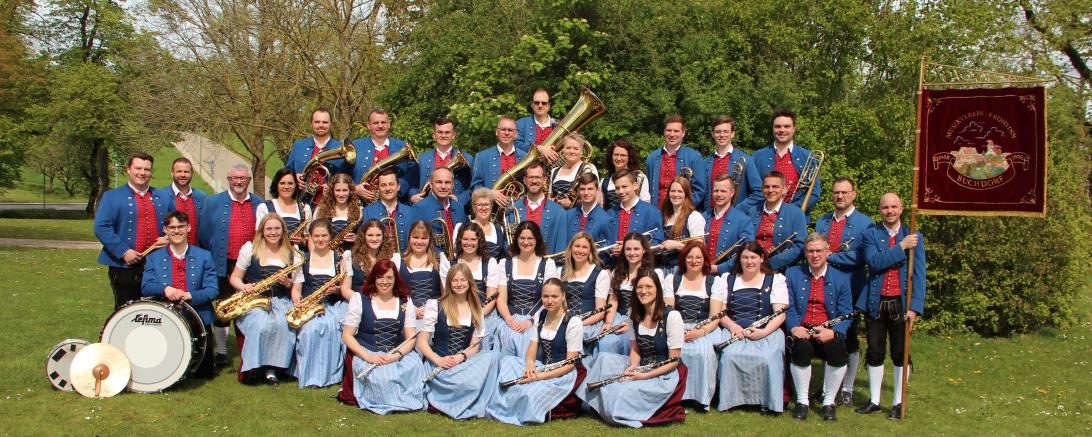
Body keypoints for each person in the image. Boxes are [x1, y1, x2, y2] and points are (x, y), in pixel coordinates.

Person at [578, 270, 686, 428]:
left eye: (648, 286)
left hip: (664, 373)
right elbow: (635, 350)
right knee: (603, 358)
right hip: (641, 365)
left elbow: (674, 361)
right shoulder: (633, 314)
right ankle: (591, 403)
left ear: (658, 289)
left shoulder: (672, 317)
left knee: (620, 391)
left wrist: (642, 376)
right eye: (639, 287)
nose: (643, 291)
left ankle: (610, 407)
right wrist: (633, 367)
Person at [855, 193, 926, 420]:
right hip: (876, 301)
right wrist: (901, 248)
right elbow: (874, 262)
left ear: (902, 208)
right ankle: (875, 400)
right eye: (885, 207)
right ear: (880, 210)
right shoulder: (871, 235)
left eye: (894, 207)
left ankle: (897, 402)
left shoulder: (914, 236)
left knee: (900, 353)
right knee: (875, 352)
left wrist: (915, 307)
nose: (890, 211)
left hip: (901, 303)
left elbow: (919, 274)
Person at [487, 278, 586, 425]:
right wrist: (529, 366)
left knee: (529, 392)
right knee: (508, 361)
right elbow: (532, 348)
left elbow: (570, 364)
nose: (549, 300)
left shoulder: (573, 322)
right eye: (545, 296)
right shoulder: (540, 316)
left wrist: (538, 377)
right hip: (543, 366)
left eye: (554, 296)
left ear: (563, 296)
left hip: (564, 373)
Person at [814, 177, 875, 405]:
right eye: (836, 192)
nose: (840, 196)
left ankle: (847, 389)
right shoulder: (823, 221)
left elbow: (861, 257)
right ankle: (828, 388)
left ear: (854, 194)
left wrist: (831, 257)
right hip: (822, 287)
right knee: (825, 339)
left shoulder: (865, 223)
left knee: (848, 339)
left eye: (844, 192)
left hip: (849, 288)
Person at [341, 259, 426, 414]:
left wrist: (396, 356)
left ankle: (402, 400)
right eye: (380, 277)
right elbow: (347, 335)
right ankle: (395, 401)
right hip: (368, 352)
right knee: (382, 378)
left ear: (395, 280)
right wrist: (368, 357)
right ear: (374, 278)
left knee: (414, 368)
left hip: (396, 352)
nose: (385, 282)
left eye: (389, 278)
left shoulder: (405, 300)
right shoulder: (360, 299)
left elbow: (411, 338)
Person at [784, 233, 854, 421]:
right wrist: (794, 327)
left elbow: (846, 312)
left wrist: (834, 331)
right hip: (802, 329)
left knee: (838, 351)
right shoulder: (792, 273)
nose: (815, 255)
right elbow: (787, 307)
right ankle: (802, 401)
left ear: (827, 252)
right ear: (805, 254)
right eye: (810, 251)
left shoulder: (841, 277)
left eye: (819, 251)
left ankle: (829, 402)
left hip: (827, 329)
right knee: (800, 349)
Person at [141, 211, 219, 377]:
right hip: (166, 317)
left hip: (197, 315)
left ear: (188, 228)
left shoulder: (204, 256)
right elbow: (146, 286)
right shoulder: (154, 258)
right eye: (172, 227)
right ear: (165, 230)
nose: (177, 231)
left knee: (203, 373)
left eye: (181, 227)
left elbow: (213, 290)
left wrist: (190, 295)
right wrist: (165, 289)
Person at [200, 164, 264, 368]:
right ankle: (221, 351)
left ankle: (248, 349)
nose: (238, 182)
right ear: (228, 179)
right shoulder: (212, 202)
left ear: (249, 181)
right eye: (235, 178)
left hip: (252, 266)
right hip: (224, 264)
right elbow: (203, 234)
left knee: (248, 309)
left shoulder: (259, 203)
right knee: (224, 308)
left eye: (243, 179)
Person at [418, 264, 500, 419]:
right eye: (455, 280)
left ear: (469, 282)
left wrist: (460, 357)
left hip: (463, 362)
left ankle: (468, 394)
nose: (459, 284)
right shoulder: (436, 305)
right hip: (440, 363)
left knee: (494, 357)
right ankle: (458, 393)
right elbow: (422, 342)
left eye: (463, 280)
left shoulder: (476, 308)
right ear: (449, 283)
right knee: (467, 384)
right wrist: (438, 360)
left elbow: (475, 346)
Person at [715, 242, 789, 413]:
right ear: (739, 260)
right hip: (736, 330)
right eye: (745, 257)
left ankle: (767, 401)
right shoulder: (728, 279)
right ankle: (731, 400)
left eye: (753, 257)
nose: (749, 262)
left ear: (762, 258)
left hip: (766, 330)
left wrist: (764, 331)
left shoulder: (775, 279)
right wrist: (733, 326)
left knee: (767, 358)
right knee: (730, 356)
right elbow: (720, 312)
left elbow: (780, 314)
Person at [228, 214, 300, 384]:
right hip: (255, 300)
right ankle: (253, 369)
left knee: (282, 324)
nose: (273, 232)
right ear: (262, 231)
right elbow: (235, 278)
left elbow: (296, 287)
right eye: (269, 229)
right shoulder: (250, 249)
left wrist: (289, 283)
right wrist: (244, 287)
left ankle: (273, 369)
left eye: (277, 228)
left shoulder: (292, 253)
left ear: (283, 231)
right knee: (260, 324)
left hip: (281, 301)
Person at [95, 152, 168, 309]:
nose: (142, 173)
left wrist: (168, 238)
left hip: (157, 265)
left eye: (147, 169)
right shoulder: (112, 196)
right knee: (126, 311)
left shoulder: (162, 196)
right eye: (138, 168)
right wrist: (124, 251)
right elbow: (101, 227)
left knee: (156, 311)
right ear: (128, 169)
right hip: (123, 266)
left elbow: (176, 224)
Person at [662, 241, 725, 411]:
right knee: (675, 350)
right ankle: (675, 394)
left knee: (702, 351)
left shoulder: (714, 282)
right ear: (684, 259)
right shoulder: (673, 280)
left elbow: (715, 317)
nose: (694, 261)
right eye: (690, 257)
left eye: (699, 257)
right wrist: (677, 330)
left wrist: (700, 332)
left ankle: (701, 398)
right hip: (677, 326)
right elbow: (669, 310)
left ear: (705, 260)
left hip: (706, 328)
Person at [290, 218, 353, 388]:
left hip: (334, 305)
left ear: (331, 236)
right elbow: (296, 289)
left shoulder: (341, 258)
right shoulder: (302, 259)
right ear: (310, 237)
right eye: (316, 236)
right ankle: (312, 376)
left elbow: (346, 288)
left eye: (324, 235)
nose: (320, 239)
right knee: (311, 330)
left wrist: (338, 290)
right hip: (310, 305)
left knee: (332, 326)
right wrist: (297, 299)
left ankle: (333, 375)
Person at [495, 222, 559, 359]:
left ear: (537, 240)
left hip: (538, 317)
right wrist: (509, 320)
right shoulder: (504, 264)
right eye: (522, 238)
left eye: (530, 238)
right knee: (510, 335)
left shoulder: (547, 265)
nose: (526, 242)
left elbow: (549, 300)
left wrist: (531, 321)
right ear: (516, 239)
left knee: (529, 336)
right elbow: (501, 299)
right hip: (510, 317)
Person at [597, 232, 661, 356]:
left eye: (636, 249)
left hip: (642, 319)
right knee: (605, 341)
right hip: (619, 317)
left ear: (644, 250)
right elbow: (613, 299)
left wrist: (632, 324)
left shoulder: (653, 274)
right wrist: (609, 323)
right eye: (628, 249)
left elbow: (654, 306)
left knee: (628, 342)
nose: (632, 253)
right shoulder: (618, 271)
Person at [751, 109, 822, 219]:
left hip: (794, 218)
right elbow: (752, 189)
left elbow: (814, 192)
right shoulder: (758, 156)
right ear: (773, 129)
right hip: (761, 217)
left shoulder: (807, 157)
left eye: (786, 126)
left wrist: (792, 210)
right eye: (778, 126)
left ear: (794, 129)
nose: (782, 130)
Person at [451, 223, 501, 350]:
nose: (469, 243)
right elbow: (447, 294)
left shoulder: (490, 263)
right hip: (457, 312)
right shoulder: (451, 263)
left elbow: (491, 296)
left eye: (473, 239)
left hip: (483, 313)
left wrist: (479, 315)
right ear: (459, 240)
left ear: (480, 241)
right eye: (465, 239)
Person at [284, 108, 347, 205]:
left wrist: (334, 186)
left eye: (325, 122)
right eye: (317, 122)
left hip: (331, 204)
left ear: (331, 124)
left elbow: (348, 178)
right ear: (311, 124)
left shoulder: (341, 148)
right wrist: (293, 177)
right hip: (300, 202)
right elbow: (285, 173)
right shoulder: (299, 146)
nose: (321, 125)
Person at [746, 171, 806, 272]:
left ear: (784, 190)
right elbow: (746, 242)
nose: (770, 190)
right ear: (762, 189)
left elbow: (800, 246)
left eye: (775, 187)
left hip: (781, 270)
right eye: (766, 187)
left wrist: (771, 263)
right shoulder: (753, 211)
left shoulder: (795, 213)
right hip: (751, 268)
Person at [505, 161, 569, 255]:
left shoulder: (559, 213)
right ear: (525, 180)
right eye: (531, 177)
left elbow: (561, 249)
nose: (534, 181)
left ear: (545, 180)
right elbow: (507, 242)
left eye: (538, 177)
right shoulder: (512, 209)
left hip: (547, 267)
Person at [351, 109, 414, 203]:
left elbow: (411, 175)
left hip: (396, 203)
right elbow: (343, 173)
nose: (380, 126)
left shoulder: (402, 147)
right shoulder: (355, 146)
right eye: (376, 123)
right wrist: (354, 188)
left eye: (383, 122)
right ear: (368, 125)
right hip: (362, 204)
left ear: (389, 124)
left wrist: (397, 189)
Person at [702, 115, 761, 212]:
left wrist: (738, 210)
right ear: (712, 134)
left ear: (732, 134)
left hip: (736, 220)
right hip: (709, 219)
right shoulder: (704, 163)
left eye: (726, 131)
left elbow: (759, 192)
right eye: (718, 132)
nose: (722, 135)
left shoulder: (746, 160)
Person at [409, 117, 474, 205]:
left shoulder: (468, 158)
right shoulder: (422, 159)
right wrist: (413, 195)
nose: (443, 135)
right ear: (434, 135)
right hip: (427, 207)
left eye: (447, 132)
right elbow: (413, 185)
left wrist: (460, 199)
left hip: (455, 208)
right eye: (440, 132)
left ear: (454, 135)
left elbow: (473, 187)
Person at [645, 115, 705, 209]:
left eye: (676, 131)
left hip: (682, 214)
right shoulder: (652, 158)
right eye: (669, 130)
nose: (672, 134)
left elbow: (699, 191)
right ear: (664, 132)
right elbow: (647, 190)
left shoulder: (694, 157)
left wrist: (684, 209)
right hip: (656, 213)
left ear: (683, 133)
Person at [605, 170, 665, 262]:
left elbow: (658, 244)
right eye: (617, 188)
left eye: (624, 186)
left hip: (642, 267)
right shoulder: (610, 213)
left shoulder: (652, 212)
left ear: (635, 185)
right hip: (615, 267)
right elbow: (604, 243)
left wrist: (628, 249)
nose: (621, 191)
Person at [559, 233, 609, 342]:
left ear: (590, 251)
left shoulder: (600, 274)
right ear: (571, 248)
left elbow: (600, 312)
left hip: (587, 324)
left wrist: (577, 324)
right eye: (577, 246)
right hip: (564, 322)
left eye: (585, 247)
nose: (580, 251)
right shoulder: (560, 272)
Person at [470, 117, 528, 208]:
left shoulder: (525, 157)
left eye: (510, 130)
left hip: (519, 208)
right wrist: (489, 194)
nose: (506, 133)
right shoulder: (482, 157)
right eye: (503, 129)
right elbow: (475, 187)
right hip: (492, 210)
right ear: (496, 132)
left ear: (516, 134)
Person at [703, 175, 755, 275]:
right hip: (701, 274)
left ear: (732, 193)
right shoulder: (703, 217)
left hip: (728, 275)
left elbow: (747, 252)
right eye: (715, 191)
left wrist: (719, 268)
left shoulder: (743, 220)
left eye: (723, 191)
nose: (718, 194)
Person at [413, 167, 467, 260]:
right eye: (439, 182)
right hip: (432, 262)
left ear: (453, 185)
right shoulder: (419, 208)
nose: (443, 186)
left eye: (447, 182)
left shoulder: (459, 207)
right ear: (430, 184)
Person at [400, 220, 450, 318]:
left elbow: (446, 294)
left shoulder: (439, 260)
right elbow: (394, 293)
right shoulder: (399, 261)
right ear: (409, 238)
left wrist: (431, 309)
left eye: (423, 238)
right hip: (407, 316)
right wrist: (411, 309)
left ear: (429, 239)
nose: (419, 241)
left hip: (435, 316)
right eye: (415, 237)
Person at [153, 157, 207, 246]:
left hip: (196, 252)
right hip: (170, 253)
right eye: (179, 171)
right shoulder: (161, 196)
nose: (183, 175)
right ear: (172, 173)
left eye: (186, 172)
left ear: (192, 173)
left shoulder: (202, 197)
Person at [656, 177, 706, 271]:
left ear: (686, 195)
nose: (675, 194)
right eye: (673, 191)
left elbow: (700, 249)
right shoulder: (663, 216)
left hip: (682, 269)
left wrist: (677, 245)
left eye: (680, 191)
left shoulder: (694, 217)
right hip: (661, 268)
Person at [255, 168, 312, 247]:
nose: (286, 187)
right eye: (282, 183)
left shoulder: (305, 208)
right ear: (276, 185)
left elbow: (309, 237)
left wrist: (302, 241)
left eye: (290, 183)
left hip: (298, 255)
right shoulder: (264, 207)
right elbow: (259, 237)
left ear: (296, 185)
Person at [344, 220, 399, 296]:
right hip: (358, 303)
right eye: (370, 235)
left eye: (378, 235)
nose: (374, 239)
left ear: (384, 237)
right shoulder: (349, 256)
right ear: (363, 236)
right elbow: (345, 289)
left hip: (384, 303)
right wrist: (362, 303)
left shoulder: (393, 257)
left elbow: (399, 287)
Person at [361, 168, 412, 250]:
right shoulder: (367, 212)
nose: (388, 189)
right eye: (383, 185)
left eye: (391, 184)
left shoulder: (410, 212)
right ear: (378, 188)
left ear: (398, 187)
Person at [454, 188, 508, 259]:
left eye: (486, 204)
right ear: (473, 207)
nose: (483, 208)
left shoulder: (499, 229)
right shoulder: (461, 227)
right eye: (479, 205)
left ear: (491, 206)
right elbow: (456, 254)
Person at [314, 173, 363, 251]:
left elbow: (365, 237)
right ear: (332, 191)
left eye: (345, 190)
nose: (341, 194)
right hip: (327, 256)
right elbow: (313, 236)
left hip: (351, 256)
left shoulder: (359, 210)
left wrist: (357, 238)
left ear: (350, 191)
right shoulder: (321, 209)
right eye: (337, 190)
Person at [548, 133, 598, 209]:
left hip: (578, 215)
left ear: (581, 152)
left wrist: (572, 204)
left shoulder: (588, 168)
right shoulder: (554, 171)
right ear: (563, 150)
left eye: (576, 148)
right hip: (557, 216)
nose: (571, 151)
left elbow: (595, 197)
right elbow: (549, 197)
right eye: (568, 148)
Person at [601, 138, 650, 210]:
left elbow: (646, 205)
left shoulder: (638, 177)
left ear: (629, 157)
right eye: (616, 155)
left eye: (623, 155)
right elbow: (602, 208)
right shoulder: (604, 181)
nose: (619, 158)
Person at [565, 173, 611, 245]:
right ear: (578, 191)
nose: (586, 193)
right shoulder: (569, 215)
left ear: (597, 190)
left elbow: (608, 247)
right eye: (582, 189)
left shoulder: (605, 219)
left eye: (590, 189)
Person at [514, 88, 559, 158]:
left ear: (549, 106)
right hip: (528, 168)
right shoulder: (520, 124)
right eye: (537, 103)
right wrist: (538, 148)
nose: (540, 105)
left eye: (544, 103)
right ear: (532, 104)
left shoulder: (558, 125)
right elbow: (515, 144)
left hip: (555, 167)